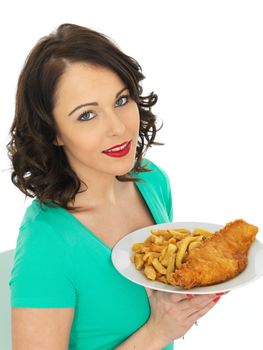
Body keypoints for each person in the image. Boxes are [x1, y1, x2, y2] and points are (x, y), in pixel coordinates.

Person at [7, 23, 221, 350]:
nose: (119, 128)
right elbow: (158, 330)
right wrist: (158, 332)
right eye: (87, 115)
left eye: (121, 100)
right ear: (53, 132)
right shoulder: (46, 243)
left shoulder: (151, 180)